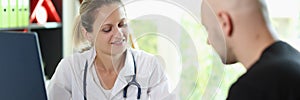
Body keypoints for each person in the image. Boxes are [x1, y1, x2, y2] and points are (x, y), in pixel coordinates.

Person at [47, 0, 172, 99]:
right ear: (88, 34)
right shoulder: (71, 67)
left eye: (122, 24)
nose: (119, 34)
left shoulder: (149, 65)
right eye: (107, 29)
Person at [201, 0, 300, 99]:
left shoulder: (253, 88)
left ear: (224, 22)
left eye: (208, 29)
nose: (208, 41)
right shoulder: (295, 62)